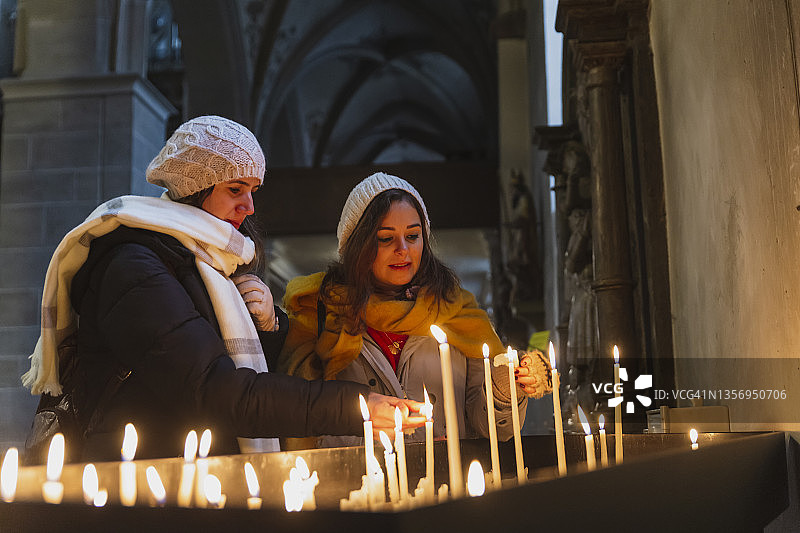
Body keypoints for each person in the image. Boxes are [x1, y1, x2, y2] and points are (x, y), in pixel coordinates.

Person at [22, 117, 423, 462]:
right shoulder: (134, 267)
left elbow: (239, 371)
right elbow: (215, 391)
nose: (249, 206)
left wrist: (270, 328)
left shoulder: (209, 264)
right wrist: (356, 406)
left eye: (253, 190)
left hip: (186, 469)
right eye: (235, 189)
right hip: (139, 479)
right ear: (195, 187)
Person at [278, 172, 552, 448]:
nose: (403, 249)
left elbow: (494, 429)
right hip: (356, 475)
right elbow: (299, 416)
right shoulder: (318, 311)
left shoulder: (455, 309)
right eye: (386, 238)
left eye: (412, 236)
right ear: (357, 245)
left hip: (447, 475)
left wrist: (504, 388)